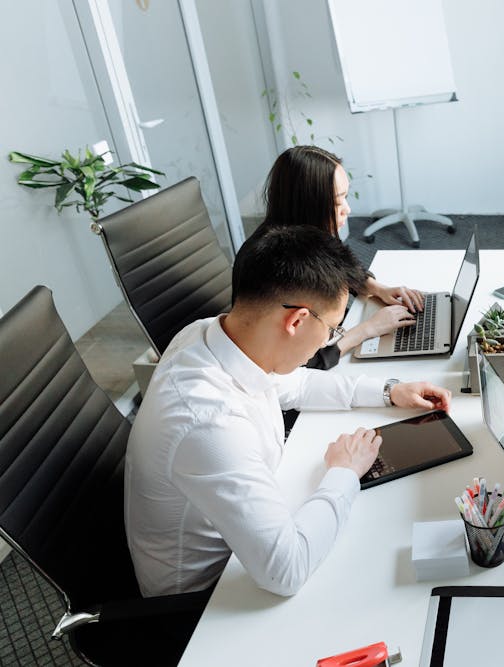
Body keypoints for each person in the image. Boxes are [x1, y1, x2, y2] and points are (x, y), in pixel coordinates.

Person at [125, 225, 452, 598]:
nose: (332, 338)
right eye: (333, 328)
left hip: (247, 540)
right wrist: (344, 473)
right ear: (296, 321)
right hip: (211, 602)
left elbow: (294, 384)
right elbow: (286, 571)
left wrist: (391, 390)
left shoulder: (209, 335)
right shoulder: (208, 424)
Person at [258, 145, 424, 368]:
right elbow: (302, 364)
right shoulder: (283, 268)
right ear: (309, 204)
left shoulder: (307, 232)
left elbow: (343, 266)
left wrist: (377, 288)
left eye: (345, 197)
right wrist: (367, 330)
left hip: (335, 330)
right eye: (338, 202)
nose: (348, 209)